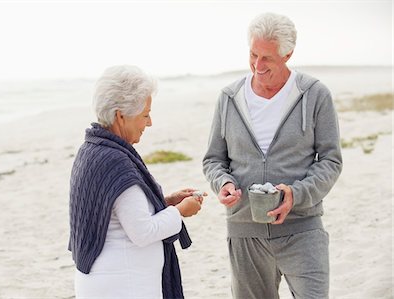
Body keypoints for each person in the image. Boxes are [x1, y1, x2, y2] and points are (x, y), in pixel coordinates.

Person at [203, 12, 343, 299]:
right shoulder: (229, 98)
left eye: (267, 58)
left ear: (288, 54)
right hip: (245, 231)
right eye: (253, 54)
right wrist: (223, 183)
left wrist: (296, 193)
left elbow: (330, 160)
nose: (258, 65)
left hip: (302, 229)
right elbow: (214, 160)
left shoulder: (315, 95)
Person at [69, 65, 205, 299]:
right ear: (121, 116)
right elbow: (142, 231)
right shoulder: (114, 160)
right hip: (124, 286)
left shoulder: (91, 149)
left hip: (107, 282)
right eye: (145, 114)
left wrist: (164, 202)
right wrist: (179, 211)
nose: (149, 122)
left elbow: (115, 210)